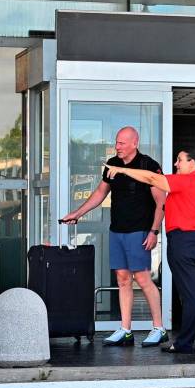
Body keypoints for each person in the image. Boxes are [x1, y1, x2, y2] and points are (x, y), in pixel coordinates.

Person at [62, 126, 167, 348]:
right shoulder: (113, 164)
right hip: (117, 230)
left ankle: (159, 327)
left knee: (143, 278)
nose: (117, 146)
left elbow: (161, 203)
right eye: (117, 142)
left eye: (121, 143)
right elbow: (100, 193)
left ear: (134, 143)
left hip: (139, 231)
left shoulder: (149, 165)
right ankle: (125, 330)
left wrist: (154, 231)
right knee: (122, 279)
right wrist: (77, 214)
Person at [104, 148, 195, 353]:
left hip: (184, 241)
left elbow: (151, 178)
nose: (176, 164)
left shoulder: (186, 180)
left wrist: (122, 170)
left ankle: (184, 344)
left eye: (179, 160)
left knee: (190, 295)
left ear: (192, 163)